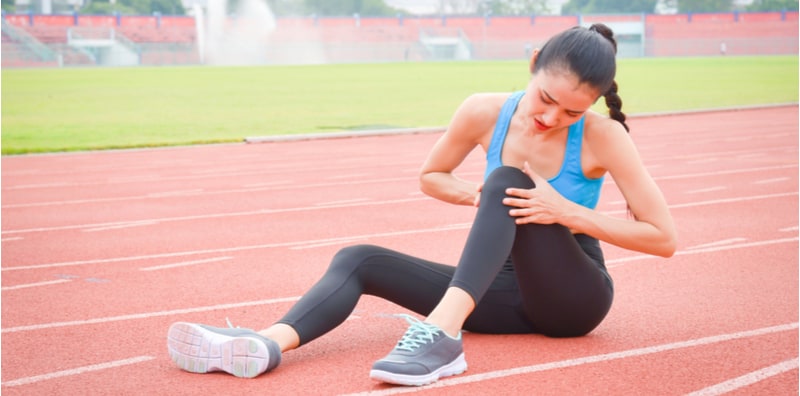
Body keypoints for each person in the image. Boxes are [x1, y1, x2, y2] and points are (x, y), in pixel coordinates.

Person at [166, 23, 676, 386]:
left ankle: (440, 335)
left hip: (574, 298)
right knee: (359, 259)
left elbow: (663, 238)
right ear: (532, 64)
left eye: (570, 112)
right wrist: (480, 196)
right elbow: (432, 176)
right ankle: (267, 343)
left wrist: (564, 212)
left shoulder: (603, 136)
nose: (551, 117)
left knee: (506, 179)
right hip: (500, 294)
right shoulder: (483, 111)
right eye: (546, 99)